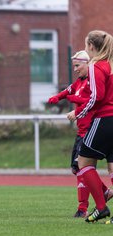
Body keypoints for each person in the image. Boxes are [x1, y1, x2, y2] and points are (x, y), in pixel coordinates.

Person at [48, 50, 112, 218]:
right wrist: (57, 97)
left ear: (87, 63)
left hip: (93, 129)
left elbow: (95, 98)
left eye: (78, 65)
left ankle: (84, 208)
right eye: (74, 66)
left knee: (83, 165)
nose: (75, 69)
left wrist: (75, 106)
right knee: (78, 168)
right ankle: (104, 194)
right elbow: (68, 91)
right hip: (82, 131)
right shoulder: (78, 82)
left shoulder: (94, 78)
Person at [67, 30, 113, 223]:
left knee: (83, 162)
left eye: (86, 46)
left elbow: (96, 97)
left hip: (104, 119)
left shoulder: (96, 65)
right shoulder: (111, 65)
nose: (86, 50)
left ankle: (101, 208)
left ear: (92, 47)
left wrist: (79, 113)